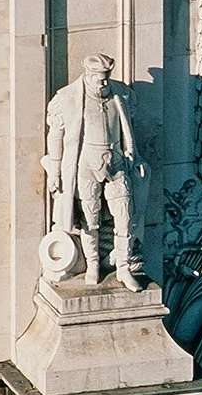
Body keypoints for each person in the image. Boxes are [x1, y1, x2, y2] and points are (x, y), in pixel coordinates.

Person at [43, 53, 145, 289]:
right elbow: (56, 134)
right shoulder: (67, 98)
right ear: (88, 75)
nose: (104, 84)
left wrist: (135, 155)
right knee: (90, 220)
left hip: (117, 162)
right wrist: (56, 172)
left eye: (106, 78)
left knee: (125, 217)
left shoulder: (121, 94)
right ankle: (92, 264)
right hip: (84, 166)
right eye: (100, 79)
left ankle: (123, 266)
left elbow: (127, 127)